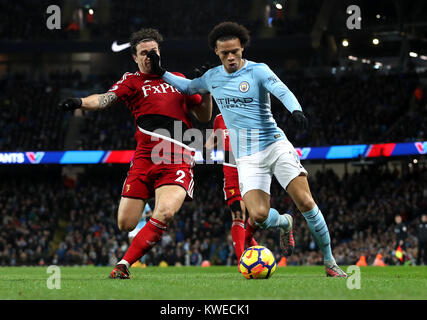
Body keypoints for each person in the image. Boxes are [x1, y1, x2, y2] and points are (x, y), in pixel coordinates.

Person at [148, 21, 347, 277]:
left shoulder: (258, 71)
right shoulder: (212, 78)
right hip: (247, 158)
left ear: (242, 48)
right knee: (260, 216)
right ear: (217, 53)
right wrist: (161, 71)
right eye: (225, 53)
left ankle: (330, 262)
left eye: (235, 51)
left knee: (306, 201)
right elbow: (187, 87)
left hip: (275, 145)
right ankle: (285, 221)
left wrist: (295, 109)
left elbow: (281, 90)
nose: (231, 57)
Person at [58, 28, 212, 279]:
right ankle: (153, 210)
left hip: (177, 156)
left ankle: (123, 264)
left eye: (153, 52)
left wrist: (206, 90)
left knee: (167, 213)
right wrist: (80, 102)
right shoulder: (132, 81)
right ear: (135, 57)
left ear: (160, 53)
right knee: (125, 223)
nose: (149, 56)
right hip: (144, 157)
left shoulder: (178, 79)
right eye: (143, 53)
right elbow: (105, 99)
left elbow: (204, 116)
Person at [204, 113, 258, 263]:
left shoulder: (248, 111)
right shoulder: (219, 118)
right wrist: (208, 149)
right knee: (238, 214)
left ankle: (250, 239)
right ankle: (243, 260)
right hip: (231, 172)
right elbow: (212, 142)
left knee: (257, 214)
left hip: (251, 169)